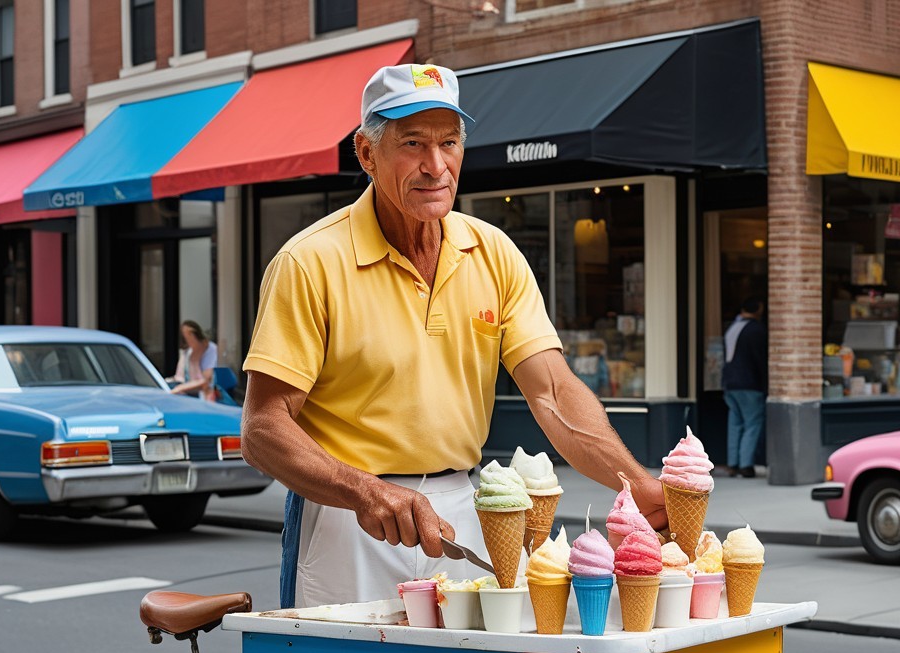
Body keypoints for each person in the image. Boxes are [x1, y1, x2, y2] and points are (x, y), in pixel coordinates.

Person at [241, 63, 665, 608]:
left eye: (449, 142)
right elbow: (263, 427)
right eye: (412, 143)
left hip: (462, 508)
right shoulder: (309, 262)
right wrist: (364, 491)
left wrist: (635, 484)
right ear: (366, 154)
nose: (434, 165)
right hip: (350, 515)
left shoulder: (494, 253)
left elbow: (554, 393)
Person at [721, 297, 768, 478]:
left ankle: (733, 463)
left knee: (735, 423)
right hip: (749, 384)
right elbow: (760, 360)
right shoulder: (755, 330)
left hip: (730, 384)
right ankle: (746, 465)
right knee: (752, 424)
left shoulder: (732, 328)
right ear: (758, 310)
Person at [169, 320, 218, 400]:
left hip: (205, 396)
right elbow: (180, 376)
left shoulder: (210, 349)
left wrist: (181, 388)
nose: (188, 340)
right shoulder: (187, 351)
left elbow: (206, 381)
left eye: (188, 336)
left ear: (194, 334)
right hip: (188, 394)